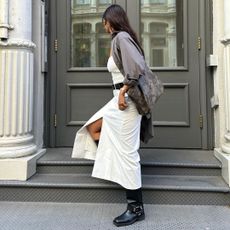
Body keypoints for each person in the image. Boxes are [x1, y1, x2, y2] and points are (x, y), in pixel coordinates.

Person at [72, 4, 148, 227]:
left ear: (112, 20)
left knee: (128, 152)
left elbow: (137, 68)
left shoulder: (122, 37)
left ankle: (136, 208)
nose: (104, 27)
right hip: (119, 100)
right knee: (93, 129)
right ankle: (114, 165)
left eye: (105, 22)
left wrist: (124, 91)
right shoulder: (120, 39)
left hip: (126, 102)